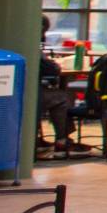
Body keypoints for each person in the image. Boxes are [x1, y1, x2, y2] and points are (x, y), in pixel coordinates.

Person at [36, 17, 91, 158]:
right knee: (61, 98)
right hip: (29, 95)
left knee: (53, 93)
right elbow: (52, 69)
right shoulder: (28, 42)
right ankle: (62, 141)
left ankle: (36, 140)